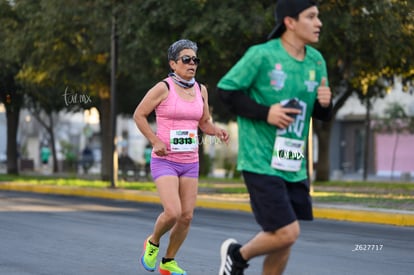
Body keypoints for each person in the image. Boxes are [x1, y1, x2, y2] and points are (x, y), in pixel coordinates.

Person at [216, 0, 332, 274]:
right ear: (290, 22)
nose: (319, 23)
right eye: (311, 16)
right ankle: (237, 255)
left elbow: (321, 115)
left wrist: (326, 104)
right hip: (260, 159)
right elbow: (226, 92)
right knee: (287, 231)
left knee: (283, 242)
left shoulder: (316, 60)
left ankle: (237, 257)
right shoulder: (262, 55)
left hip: (292, 160)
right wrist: (265, 112)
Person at [133, 39, 229, 275]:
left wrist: (216, 130)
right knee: (173, 212)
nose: (192, 63)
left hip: (190, 162)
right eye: (186, 59)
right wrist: (155, 141)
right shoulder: (163, 88)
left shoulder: (200, 90)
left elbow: (204, 122)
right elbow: (139, 115)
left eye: (195, 59)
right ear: (173, 64)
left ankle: (168, 261)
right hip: (165, 160)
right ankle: (153, 242)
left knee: (186, 217)